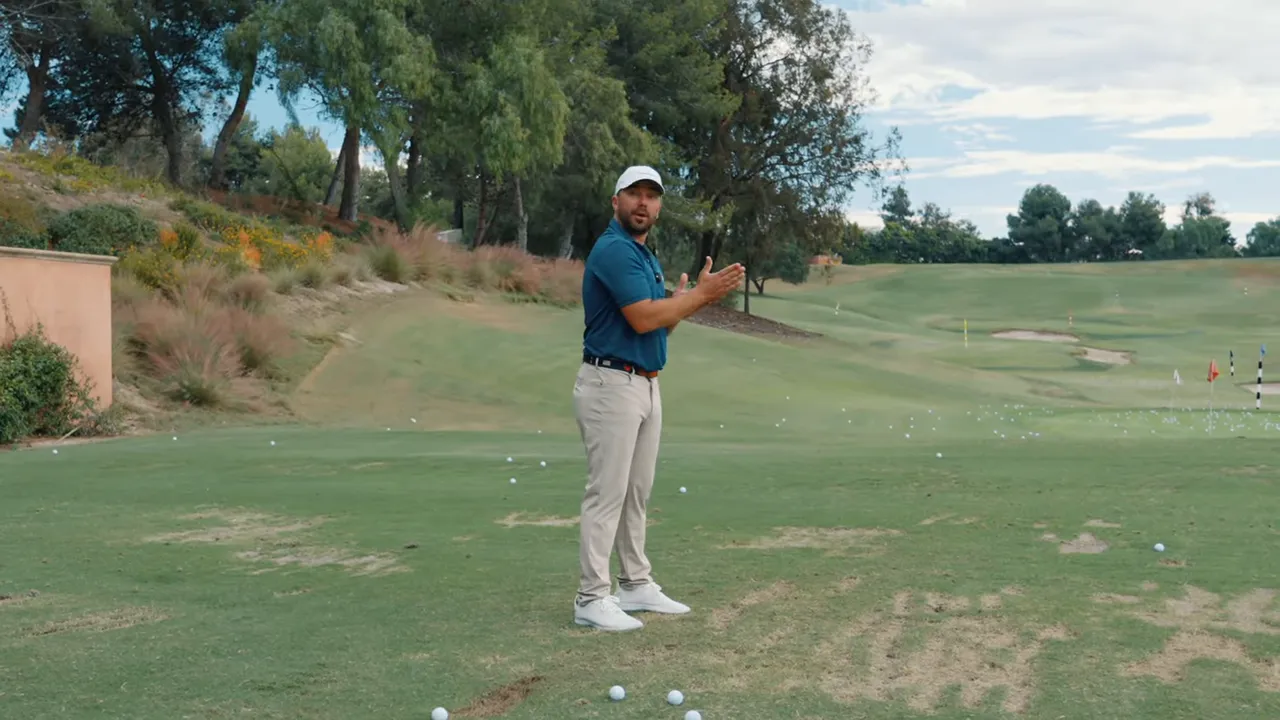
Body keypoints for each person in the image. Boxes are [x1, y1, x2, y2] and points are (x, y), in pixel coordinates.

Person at [571, 165, 745, 631]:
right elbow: (645, 319)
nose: (643, 203)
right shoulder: (613, 251)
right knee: (607, 495)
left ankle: (635, 585)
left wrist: (690, 300)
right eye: (634, 194)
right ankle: (591, 597)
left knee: (636, 494)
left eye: (652, 196)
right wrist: (700, 297)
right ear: (616, 201)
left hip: (645, 384)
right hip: (611, 384)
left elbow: (662, 321)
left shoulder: (645, 257)